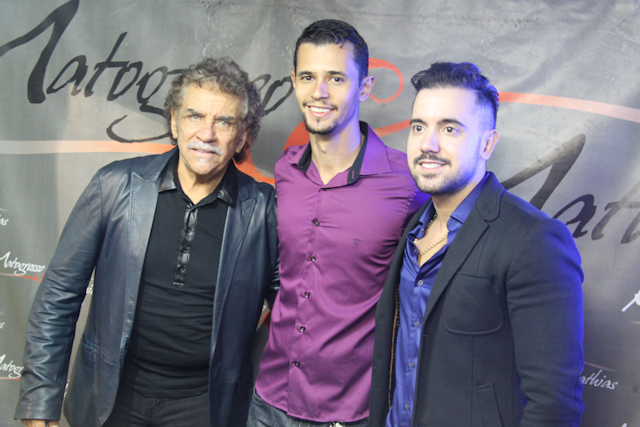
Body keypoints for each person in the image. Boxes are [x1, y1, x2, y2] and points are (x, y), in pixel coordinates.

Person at [14, 57, 279, 427]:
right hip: (110, 397)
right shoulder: (115, 186)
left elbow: (295, 312)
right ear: (173, 121)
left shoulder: (265, 210)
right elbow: (58, 296)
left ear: (243, 135)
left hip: (205, 408)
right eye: (194, 116)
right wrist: (39, 402)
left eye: (224, 121)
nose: (206, 134)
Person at [369, 62, 584, 427]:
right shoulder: (412, 227)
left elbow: (554, 403)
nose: (428, 144)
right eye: (418, 127)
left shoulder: (534, 239)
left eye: (449, 128)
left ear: (487, 143)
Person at [248, 19, 427, 427]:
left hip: (350, 411)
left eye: (336, 78)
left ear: (365, 87)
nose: (320, 92)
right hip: (269, 400)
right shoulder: (286, 170)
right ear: (294, 82)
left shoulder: (407, 183)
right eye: (308, 77)